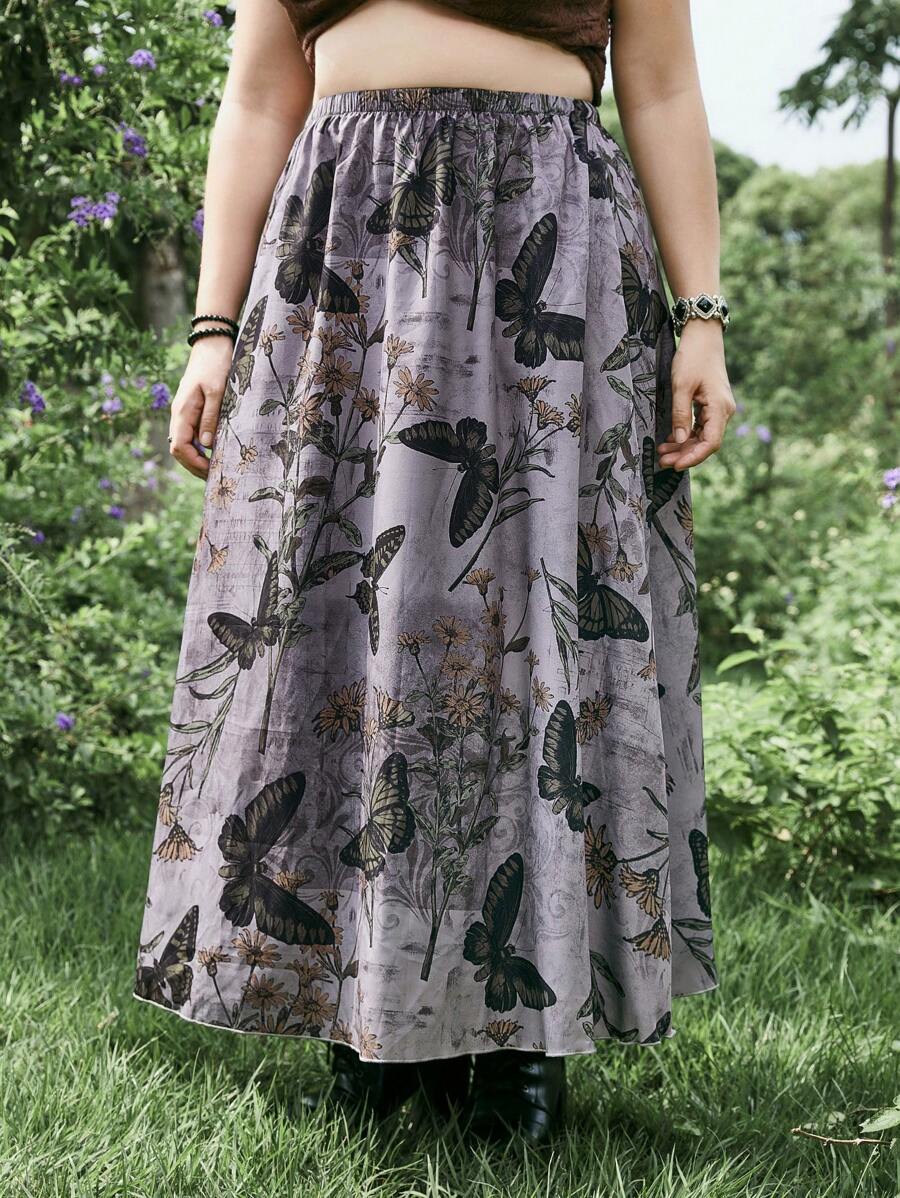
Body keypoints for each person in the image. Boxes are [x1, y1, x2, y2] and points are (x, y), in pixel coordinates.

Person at [134, 0, 733, 1145]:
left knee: (532, 632)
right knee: (348, 622)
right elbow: (258, 94)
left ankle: (520, 1029)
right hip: (349, 238)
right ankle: (361, 999)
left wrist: (700, 315)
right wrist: (213, 327)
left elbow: (660, 85)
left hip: (545, 229)